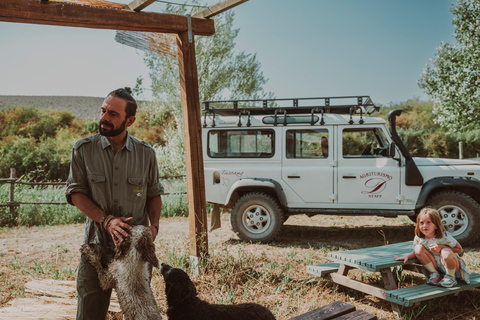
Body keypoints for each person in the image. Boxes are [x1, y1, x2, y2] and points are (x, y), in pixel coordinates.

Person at [65, 87, 164, 320]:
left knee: (140, 315)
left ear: (130, 120)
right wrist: (106, 220)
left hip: (134, 254)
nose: (104, 118)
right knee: (89, 314)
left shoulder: (146, 154)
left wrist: (155, 227)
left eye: (113, 114)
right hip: (95, 248)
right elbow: (75, 193)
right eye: (103, 111)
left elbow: (154, 194)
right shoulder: (83, 150)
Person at [394, 207, 470, 287]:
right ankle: (435, 274)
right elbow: (416, 252)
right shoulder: (419, 238)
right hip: (435, 265)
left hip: (450, 265)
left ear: (436, 226)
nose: (424, 226)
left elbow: (459, 249)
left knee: (445, 251)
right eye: (422, 223)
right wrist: (408, 256)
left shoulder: (444, 237)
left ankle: (451, 277)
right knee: (418, 248)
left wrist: (441, 247)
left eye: (428, 222)